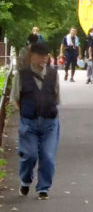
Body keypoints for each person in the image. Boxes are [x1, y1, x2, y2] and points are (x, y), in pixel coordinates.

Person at [16, 41, 60, 199]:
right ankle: (25, 180)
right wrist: (28, 112)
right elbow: (16, 98)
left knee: (48, 156)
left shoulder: (53, 74)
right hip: (29, 122)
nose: (44, 58)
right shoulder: (22, 74)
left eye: (46, 55)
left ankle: (43, 188)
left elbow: (56, 96)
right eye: (40, 55)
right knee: (29, 155)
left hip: (49, 121)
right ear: (31, 56)